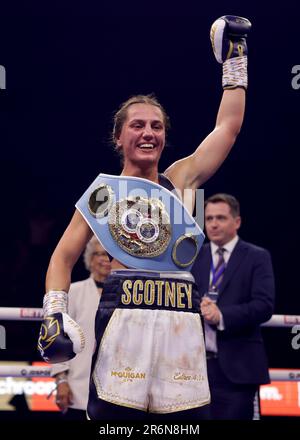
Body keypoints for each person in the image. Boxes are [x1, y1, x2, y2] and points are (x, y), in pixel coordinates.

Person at [38, 16, 251, 420]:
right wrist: (55, 313)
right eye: (137, 125)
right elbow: (62, 257)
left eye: (156, 126)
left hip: (180, 320)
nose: (148, 132)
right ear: (119, 137)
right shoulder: (102, 196)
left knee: (184, 423)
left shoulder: (182, 179)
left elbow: (229, 126)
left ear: (165, 137)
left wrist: (235, 59)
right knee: (117, 424)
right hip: (125, 316)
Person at [192, 193, 275, 420]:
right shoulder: (194, 257)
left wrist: (221, 315)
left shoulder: (257, 257)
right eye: (209, 219)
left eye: (220, 218)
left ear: (236, 222)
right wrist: (197, 307)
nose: (213, 224)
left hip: (238, 368)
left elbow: (264, 305)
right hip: (194, 370)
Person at [51, 237, 111, 420]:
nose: (105, 259)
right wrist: (61, 380)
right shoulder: (74, 291)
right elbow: (57, 337)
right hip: (78, 385)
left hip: (116, 388)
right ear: (90, 259)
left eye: (109, 255)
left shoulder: (127, 293)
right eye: (100, 254)